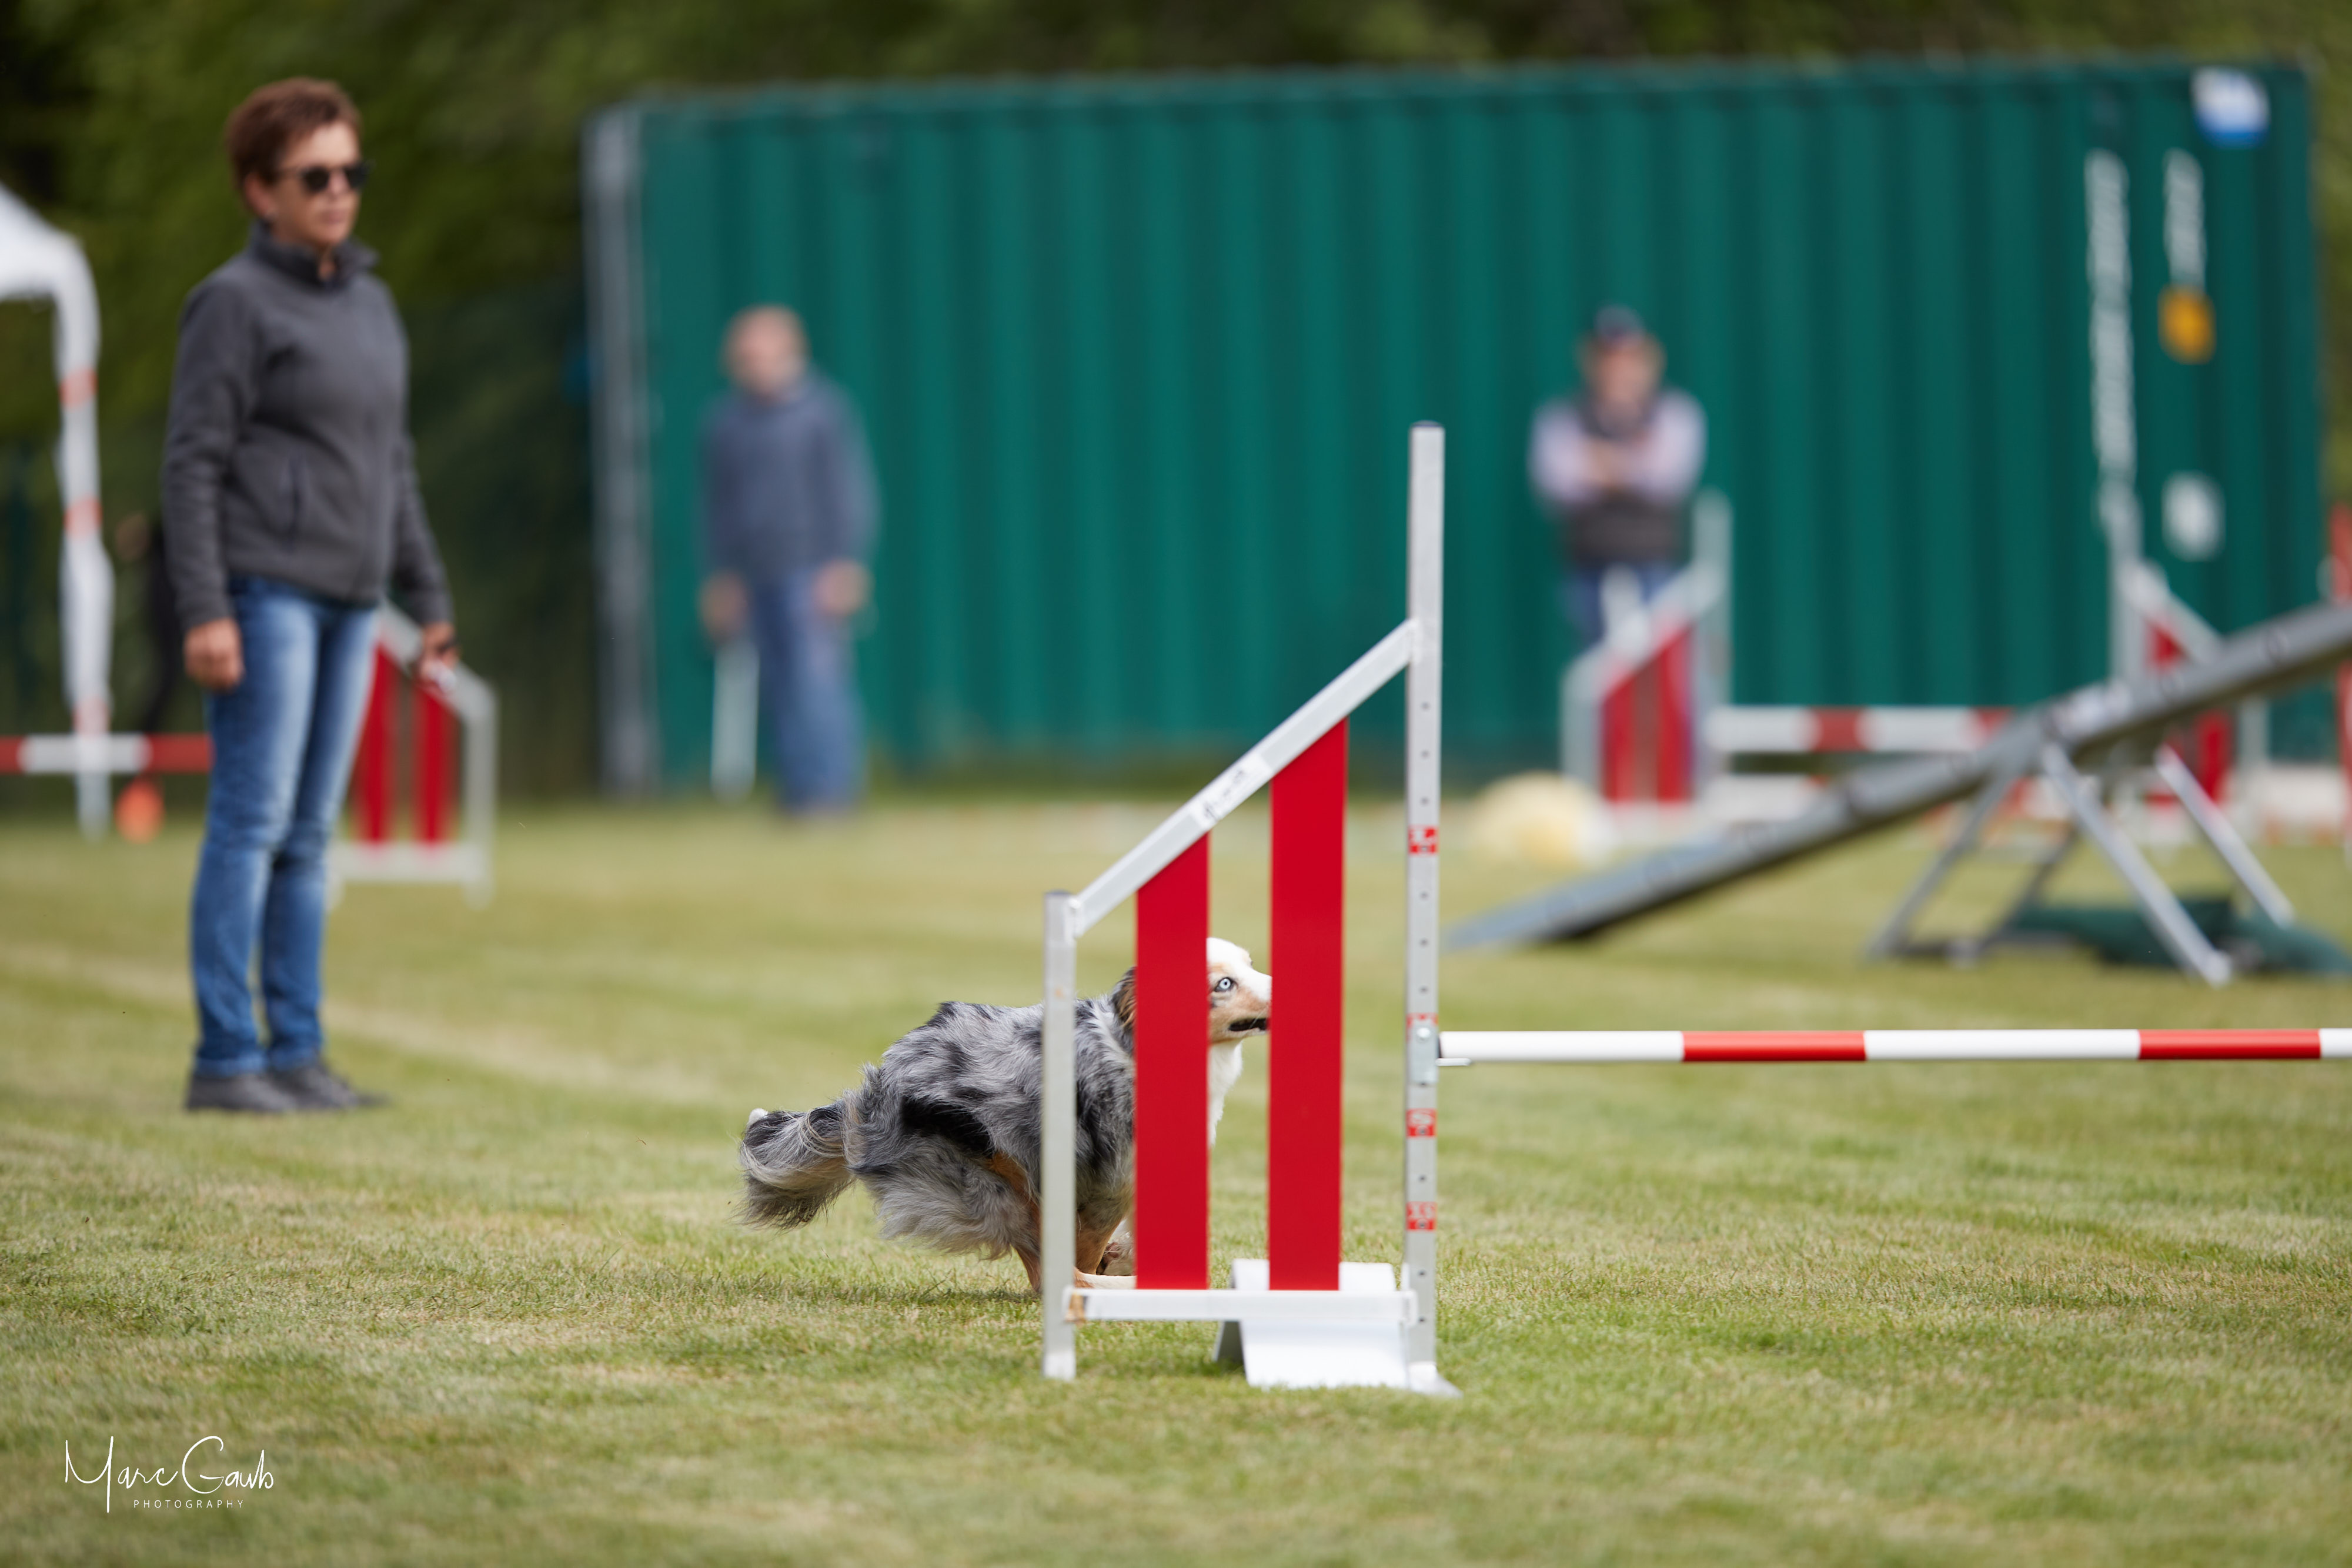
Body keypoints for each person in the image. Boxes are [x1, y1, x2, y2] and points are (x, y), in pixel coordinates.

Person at [163, 79, 456, 1112]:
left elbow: (392, 462)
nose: (338, 190)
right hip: (264, 594)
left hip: (350, 598)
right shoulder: (232, 303)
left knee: (309, 833)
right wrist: (205, 606)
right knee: (250, 823)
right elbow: (192, 462)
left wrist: (428, 595)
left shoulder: (372, 303)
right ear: (260, 190)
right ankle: (225, 1058)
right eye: (313, 175)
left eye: (350, 171)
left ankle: (297, 1052)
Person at [698, 306, 876, 814]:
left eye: (759, 355)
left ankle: (831, 791)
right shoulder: (726, 423)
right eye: (743, 358)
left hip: (811, 568)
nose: (751, 366)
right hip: (755, 571)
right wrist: (722, 575)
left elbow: (848, 492)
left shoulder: (822, 413)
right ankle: (797, 791)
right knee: (777, 685)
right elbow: (717, 506)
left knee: (817, 682)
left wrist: (844, 563)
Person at [1528, 305, 1708, 649]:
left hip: (1656, 566)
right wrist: (1633, 463)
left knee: (1662, 664)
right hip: (1587, 568)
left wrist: (1599, 462)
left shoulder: (1674, 411)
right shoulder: (1563, 414)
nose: (1618, 369)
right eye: (1608, 358)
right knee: (1596, 667)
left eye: (1629, 358)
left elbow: (1668, 478)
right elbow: (1556, 480)